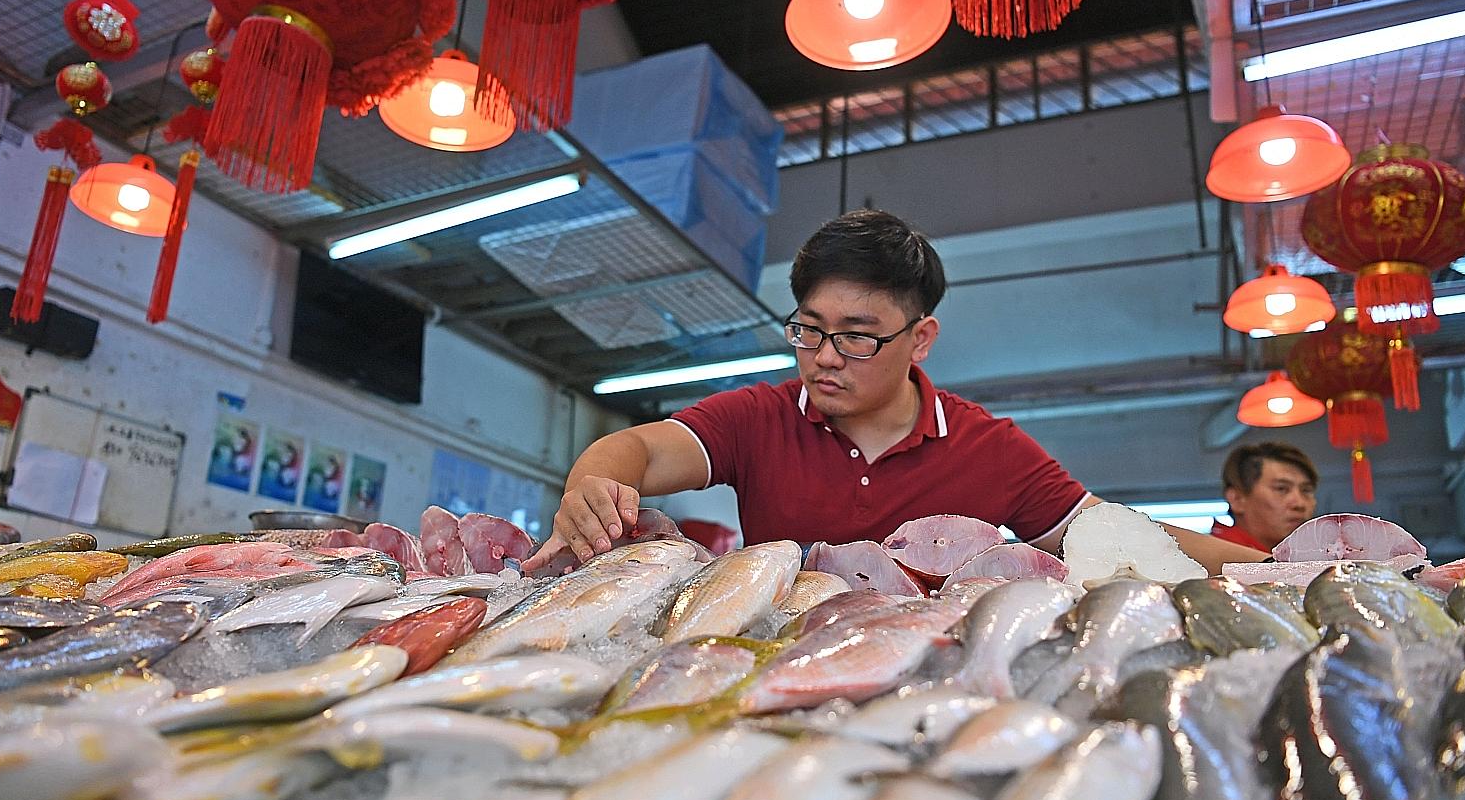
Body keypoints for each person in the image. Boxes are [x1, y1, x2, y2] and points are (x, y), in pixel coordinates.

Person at [522, 210, 1268, 575]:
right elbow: (640, 450)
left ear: (921, 339)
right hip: (774, 674)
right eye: (809, 329)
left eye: (857, 335)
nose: (824, 358)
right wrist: (596, 482)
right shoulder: (761, 417)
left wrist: (1280, 570)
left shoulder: (989, 448)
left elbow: (1124, 542)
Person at [1213, 442, 1319, 553]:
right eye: (1281, 489)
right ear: (1237, 499)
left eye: (1306, 490)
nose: (1299, 504)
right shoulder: (1213, 561)